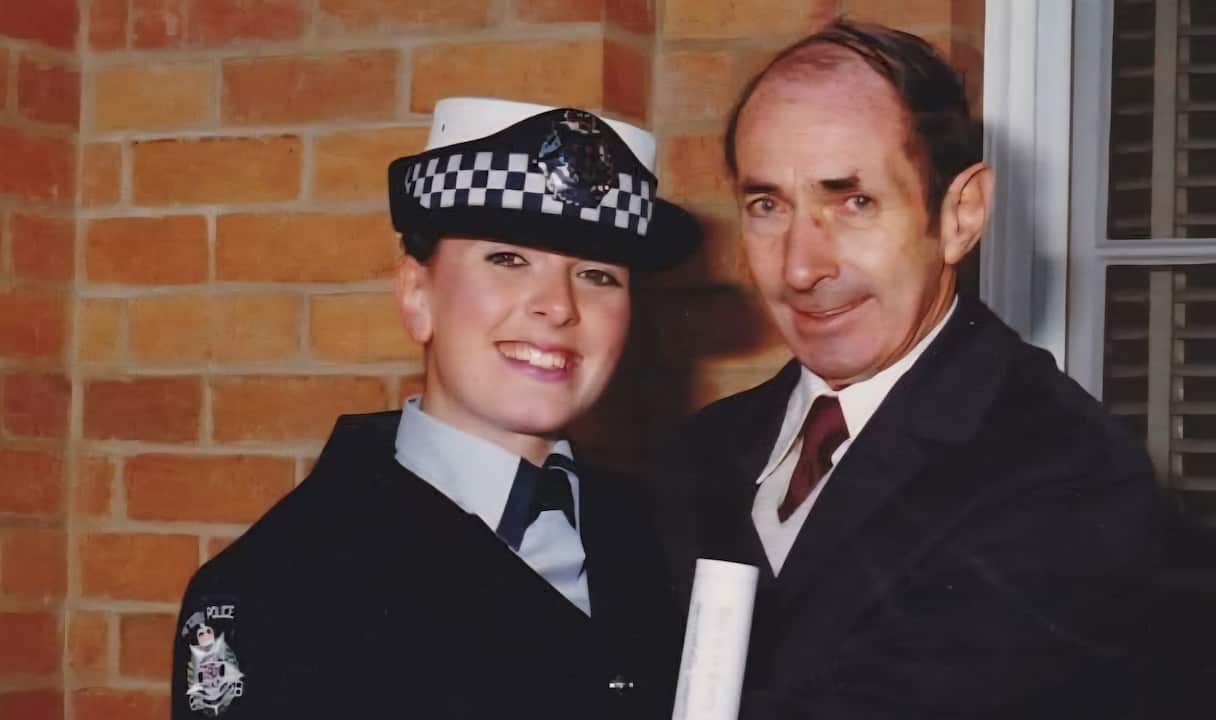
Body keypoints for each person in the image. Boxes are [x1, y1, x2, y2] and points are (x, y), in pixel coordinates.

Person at [656, 19, 1162, 719]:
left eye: (853, 201)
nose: (802, 268)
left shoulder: (1068, 470)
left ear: (960, 215)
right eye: (767, 205)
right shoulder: (698, 451)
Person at [170, 97, 700, 719]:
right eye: (508, 259)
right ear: (416, 295)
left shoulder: (671, 536)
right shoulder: (278, 585)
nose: (558, 306)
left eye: (598, 274)